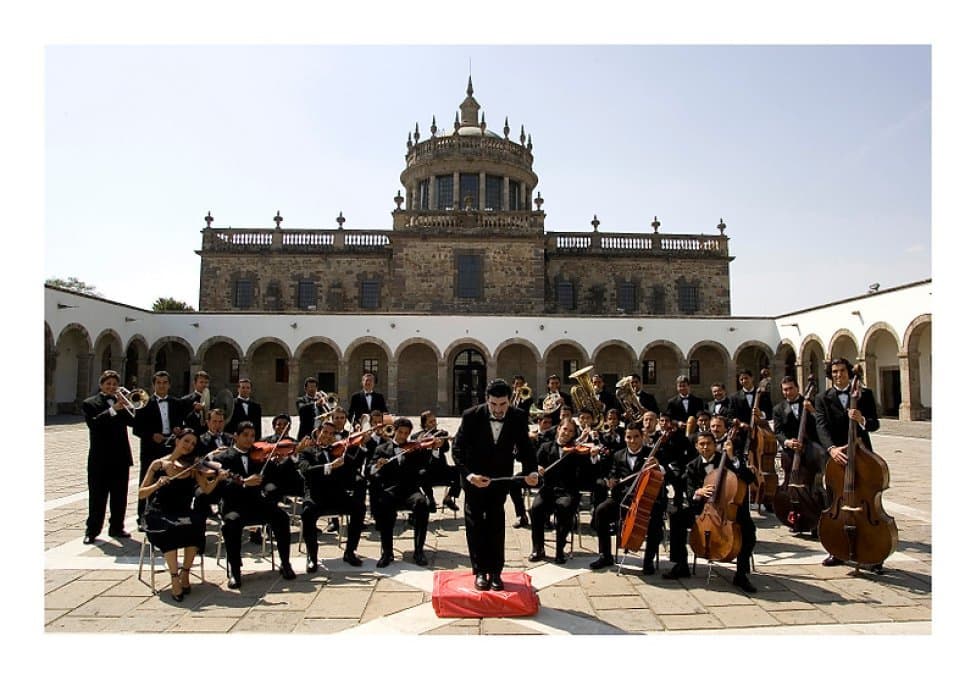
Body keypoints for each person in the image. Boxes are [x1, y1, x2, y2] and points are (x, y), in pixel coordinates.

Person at [453, 379, 539, 591]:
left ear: (509, 401)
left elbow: (526, 449)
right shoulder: (471, 416)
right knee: (475, 525)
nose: (498, 409)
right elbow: (457, 451)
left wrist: (532, 472)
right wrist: (470, 475)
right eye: (494, 404)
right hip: (474, 479)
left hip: (500, 479)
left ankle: (496, 572)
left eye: (503, 404)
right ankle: (480, 571)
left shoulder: (518, 416)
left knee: (496, 524)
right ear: (486, 400)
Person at [814, 358, 883, 571]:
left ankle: (874, 553)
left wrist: (862, 419)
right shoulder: (822, 398)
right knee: (836, 501)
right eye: (834, 372)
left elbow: (875, 424)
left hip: (862, 455)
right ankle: (837, 550)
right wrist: (831, 449)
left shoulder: (865, 394)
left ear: (850, 373)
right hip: (837, 457)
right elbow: (821, 426)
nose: (838, 374)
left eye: (842, 370)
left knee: (867, 501)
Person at [138, 430, 222, 601]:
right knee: (170, 532)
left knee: (196, 528)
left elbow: (206, 489)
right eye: (186, 441)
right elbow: (141, 493)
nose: (189, 446)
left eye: (192, 444)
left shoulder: (193, 467)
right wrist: (156, 485)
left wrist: (218, 478)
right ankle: (174, 578)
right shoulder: (158, 464)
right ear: (177, 441)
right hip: (159, 513)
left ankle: (185, 573)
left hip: (182, 512)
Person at [212, 421, 295, 588]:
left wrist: (288, 458)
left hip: (257, 503)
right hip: (233, 505)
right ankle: (235, 571)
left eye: (252, 436)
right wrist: (243, 483)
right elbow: (220, 487)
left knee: (282, 518)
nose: (250, 440)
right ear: (236, 436)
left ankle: (285, 563)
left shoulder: (261, 455)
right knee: (231, 524)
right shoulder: (222, 458)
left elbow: (276, 476)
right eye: (245, 435)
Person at [683, 429, 758, 593]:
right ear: (696, 446)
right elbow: (689, 494)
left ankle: (741, 574)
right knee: (677, 518)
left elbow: (749, 478)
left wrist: (731, 457)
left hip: (729, 511)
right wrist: (698, 492)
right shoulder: (691, 466)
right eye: (701, 444)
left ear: (715, 445)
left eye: (709, 444)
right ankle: (681, 566)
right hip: (705, 511)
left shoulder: (727, 460)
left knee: (749, 531)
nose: (705, 447)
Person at [590, 421, 667, 574]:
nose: (632, 441)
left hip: (648, 500)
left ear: (643, 436)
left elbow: (668, 476)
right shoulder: (618, 455)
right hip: (623, 499)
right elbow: (613, 473)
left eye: (636, 437)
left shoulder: (653, 454)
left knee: (655, 520)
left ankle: (648, 560)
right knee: (601, 511)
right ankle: (605, 555)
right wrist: (611, 481)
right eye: (629, 437)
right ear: (624, 438)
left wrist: (659, 467)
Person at [296, 419, 368, 571]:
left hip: (336, 495)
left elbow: (353, 467)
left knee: (359, 508)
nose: (328, 436)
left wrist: (361, 446)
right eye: (325, 432)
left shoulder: (338, 450)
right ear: (318, 432)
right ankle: (312, 556)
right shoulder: (307, 452)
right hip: (316, 495)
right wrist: (328, 466)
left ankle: (350, 552)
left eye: (331, 434)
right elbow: (306, 471)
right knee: (307, 513)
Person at [368, 417, 439, 567]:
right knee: (384, 504)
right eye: (400, 432)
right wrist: (377, 466)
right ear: (394, 430)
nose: (403, 436)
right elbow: (370, 470)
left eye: (406, 433)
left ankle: (419, 551)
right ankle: (387, 552)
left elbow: (427, 466)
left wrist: (434, 450)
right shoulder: (382, 449)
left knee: (421, 503)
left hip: (410, 490)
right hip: (390, 491)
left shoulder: (414, 449)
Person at [82, 370, 136, 544]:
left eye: (114, 384)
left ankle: (117, 527)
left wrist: (128, 406)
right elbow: (95, 423)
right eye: (108, 384)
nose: (111, 387)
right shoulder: (90, 403)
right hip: (100, 457)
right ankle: (92, 530)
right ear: (101, 385)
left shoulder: (120, 402)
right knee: (97, 495)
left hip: (120, 456)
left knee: (120, 495)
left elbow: (133, 421)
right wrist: (113, 409)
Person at [528, 418, 592, 564]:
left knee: (564, 508)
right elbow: (534, 464)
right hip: (548, 489)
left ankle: (559, 550)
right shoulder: (546, 447)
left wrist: (589, 455)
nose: (567, 434)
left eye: (570, 431)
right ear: (558, 429)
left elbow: (586, 472)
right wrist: (537, 468)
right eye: (565, 429)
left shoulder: (576, 451)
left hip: (568, 491)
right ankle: (538, 548)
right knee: (535, 509)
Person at [133, 370, 186, 523]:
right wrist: (151, 435)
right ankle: (142, 516)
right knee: (147, 479)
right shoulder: (144, 403)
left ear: (169, 385)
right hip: (151, 447)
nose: (161, 386)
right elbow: (137, 429)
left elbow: (181, 423)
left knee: (172, 480)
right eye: (158, 383)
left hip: (171, 447)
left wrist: (178, 429)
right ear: (153, 385)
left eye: (164, 383)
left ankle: (169, 512)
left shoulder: (177, 403)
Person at [415, 410, 461, 512]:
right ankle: (431, 500)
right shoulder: (417, 436)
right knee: (421, 474)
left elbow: (446, 449)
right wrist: (429, 446)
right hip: (427, 470)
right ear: (424, 424)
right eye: (431, 422)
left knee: (460, 471)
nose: (434, 424)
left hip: (441, 468)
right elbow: (418, 454)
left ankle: (448, 498)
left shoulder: (441, 434)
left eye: (435, 421)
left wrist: (437, 447)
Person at [180, 370, 211, 435]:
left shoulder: (212, 400)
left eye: (206, 382)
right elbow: (184, 421)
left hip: (207, 436)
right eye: (201, 382)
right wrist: (196, 411)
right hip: (192, 435)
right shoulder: (185, 400)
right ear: (194, 384)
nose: (204, 385)